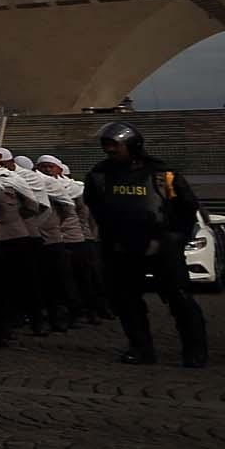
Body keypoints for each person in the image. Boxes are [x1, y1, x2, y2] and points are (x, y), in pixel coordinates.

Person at [84, 121, 207, 369]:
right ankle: (140, 348)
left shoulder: (162, 173)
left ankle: (194, 350)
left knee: (179, 298)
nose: (109, 149)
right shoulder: (99, 174)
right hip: (121, 246)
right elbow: (95, 206)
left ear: (132, 145)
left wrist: (174, 238)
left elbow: (187, 207)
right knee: (126, 300)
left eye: (114, 145)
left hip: (162, 245)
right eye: (106, 145)